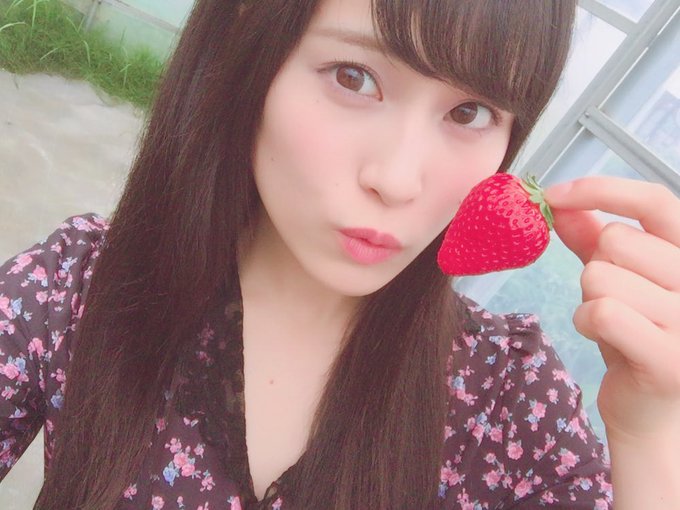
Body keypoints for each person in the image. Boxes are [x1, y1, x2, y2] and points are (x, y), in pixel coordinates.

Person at [1, 0, 679, 508]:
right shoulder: (76, 288)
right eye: (354, 77)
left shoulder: (508, 401)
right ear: (250, 53)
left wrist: (650, 437)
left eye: (470, 113)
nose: (398, 179)